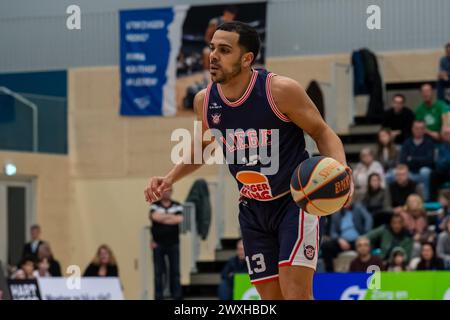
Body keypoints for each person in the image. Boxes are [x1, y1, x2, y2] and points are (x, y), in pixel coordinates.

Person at [144, 21, 354, 300]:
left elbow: (321, 132)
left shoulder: (280, 90)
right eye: (212, 48)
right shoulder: (204, 101)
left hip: (293, 202)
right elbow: (203, 150)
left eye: (224, 50)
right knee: (270, 298)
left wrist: (340, 170)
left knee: (296, 294)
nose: (213, 56)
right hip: (252, 209)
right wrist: (169, 178)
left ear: (246, 59)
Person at [150, 188, 184, 300]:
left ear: (171, 192)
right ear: (160, 193)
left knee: (175, 271)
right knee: (158, 272)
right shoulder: (154, 205)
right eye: (164, 191)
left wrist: (162, 218)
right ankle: (159, 296)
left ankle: (177, 296)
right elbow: (154, 217)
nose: (166, 193)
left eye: (168, 191)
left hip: (173, 243)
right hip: (158, 244)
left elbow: (179, 219)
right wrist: (170, 217)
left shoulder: (177, 205)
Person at [321, 203, 372, 272]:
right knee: (325, 246)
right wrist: (339, 240)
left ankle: (365, 273)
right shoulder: (336, 212)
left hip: (357, 239)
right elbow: (332, 232)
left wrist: (365, 235)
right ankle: (330, 274)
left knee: (364, 245)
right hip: (342, 241)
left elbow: (368, 218)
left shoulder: (358, 207)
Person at [400, 120, 434, 201]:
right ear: (412, 129)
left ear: (424, 130)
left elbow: (430, 161)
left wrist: (412, 159)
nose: (419, 130)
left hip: (424, 173)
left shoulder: (429, 143)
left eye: (421, 128)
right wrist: (421, 160)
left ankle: (426, 200)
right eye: (416, 128)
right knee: (400, 173)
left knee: (424, 171)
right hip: (410, 173)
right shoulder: (406, 143)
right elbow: (403, 160)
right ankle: (405, 201)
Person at [202, 6, 238, 81]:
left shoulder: (233, 25)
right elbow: (207, 37)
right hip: (213, 46)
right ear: (225, 13)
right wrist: (213, 47)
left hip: (226, 47)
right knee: (206, 53)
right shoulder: (214, 22)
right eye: (229, 15)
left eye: (232, 16)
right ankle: (206, 78)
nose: (230, 18)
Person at [430, 126, 450, 199]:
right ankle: (433, 200)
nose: (448, 135)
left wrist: (446, 161)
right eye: (446, 134)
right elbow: (439, 163)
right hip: (444, 171)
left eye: (449, 133)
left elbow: (444, 161)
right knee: (433, 174)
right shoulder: (441, 147)